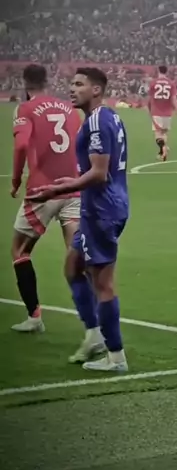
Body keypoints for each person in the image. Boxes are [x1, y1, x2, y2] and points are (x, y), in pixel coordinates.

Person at [27, 67, 129, 372]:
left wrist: (58, 190)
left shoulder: (96, 121)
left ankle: (116, 356)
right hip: (99, 206)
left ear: (96, 90)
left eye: (79, 84)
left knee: (102, 283)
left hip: (102, 209)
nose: (72, 89)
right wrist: (71, 183)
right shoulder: (108, 117)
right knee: (73, 265)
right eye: (71, 83)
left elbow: (99, 173)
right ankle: (94, 334)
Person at [9, 64, 83, 334]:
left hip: (42, 191)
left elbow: (21, 145)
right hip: (73, 187)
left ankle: (34, 317)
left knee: (20, 251)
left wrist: (16, 181)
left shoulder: (25, 109)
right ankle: (95, 327)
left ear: (25, 82)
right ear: (47, 80)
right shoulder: (69, 109)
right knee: (76, 256)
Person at [147, 65, 177, 161]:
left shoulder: (153, 82)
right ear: (166, 72)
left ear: (158, 71)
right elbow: (174, 98)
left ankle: (163, 149)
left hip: (156, 112)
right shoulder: (171, 83)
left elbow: (150, 97)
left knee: (158, 134)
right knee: (164, 133)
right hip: (167, 113)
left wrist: (148, 108)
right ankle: (161, 152)